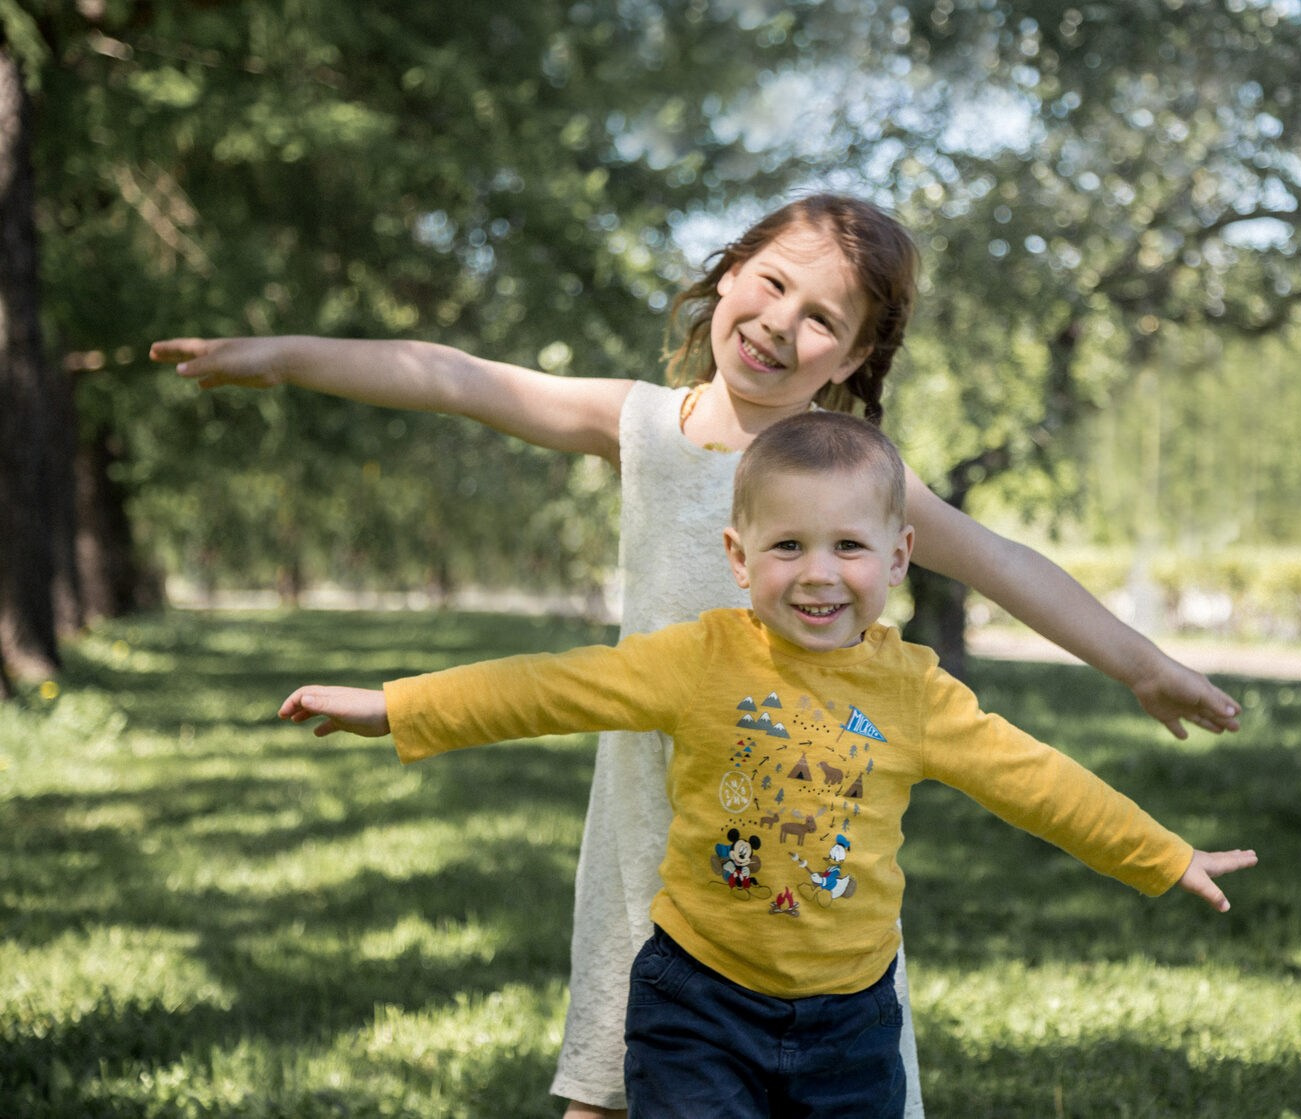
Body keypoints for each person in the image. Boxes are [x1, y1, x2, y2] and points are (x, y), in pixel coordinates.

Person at [152, 192, 1242, 1117]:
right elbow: (451, 375)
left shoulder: (861, 481)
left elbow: (1008, 562)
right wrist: (282, 357)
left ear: (857, 356)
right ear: (726, 277)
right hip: (652, 800)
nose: (778, 325)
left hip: (811, 830)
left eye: (822, 319)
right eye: (769, 284)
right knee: (609, 1071)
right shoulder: (641, 423)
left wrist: (1139, 663)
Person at [277, 410, 1259, 1119]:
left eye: (849, 546)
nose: (821, 573)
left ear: (900, 553)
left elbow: (1036, 780)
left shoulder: (913, 692)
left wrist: (1161, 854)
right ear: (739, 558)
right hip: (699, 999)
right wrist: (394, 706)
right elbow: (550, 687)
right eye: (788, 545)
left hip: (854, 1019)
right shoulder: (700, 659)